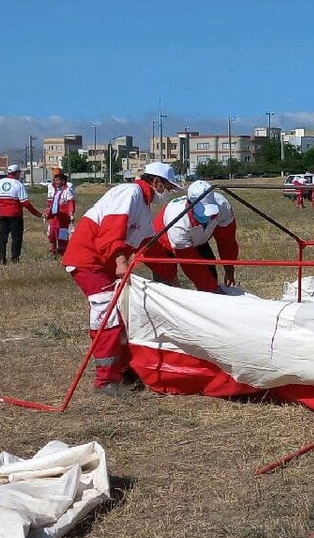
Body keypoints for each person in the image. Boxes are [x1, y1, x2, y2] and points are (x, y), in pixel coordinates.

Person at [62, 162, 182, 396]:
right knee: (107, 317)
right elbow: (111, 230)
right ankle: (105, 382)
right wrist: (120, 261)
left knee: (124, 314)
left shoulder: (144, 210)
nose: (167, 194)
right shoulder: (129, 193)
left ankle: (125, 370)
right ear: (156, 183)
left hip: (104, 264)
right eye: (167, 188)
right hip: (89, 260)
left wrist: (171, 276)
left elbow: (151, 247)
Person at [148, 180, 240, 291]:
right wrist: (210, 289)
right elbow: (191, 265)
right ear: (190, 204)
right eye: (203, 212)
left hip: (197, 240)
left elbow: (227, 241)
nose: (209, 217)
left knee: (211, 275)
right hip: (163, 242)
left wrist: (229, 269)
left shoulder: (223, 206)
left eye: (211, 212)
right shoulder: (178, 222)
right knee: (167, 288)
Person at [0, 164, 43, 264]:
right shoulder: (18, 184)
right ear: (17, 173)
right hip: (15, 214)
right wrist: (37, 213)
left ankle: (1, 258)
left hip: (3, 214)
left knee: (2, 237)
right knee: (16, 237)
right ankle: (15, 258)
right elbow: (25, 203)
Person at [45, 170, 77, 255]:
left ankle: (62, 252)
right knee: (51, 233)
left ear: (63, 180)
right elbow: (49, 204)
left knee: (62, 235)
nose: (55, 181)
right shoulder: (52, 189)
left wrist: (71, 213)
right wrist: (47, 213)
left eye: (58, 180)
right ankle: (52, 250)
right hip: (53, 217)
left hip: (63, 217)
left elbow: (71, 203)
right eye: (54, 179)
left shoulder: (67, 190)